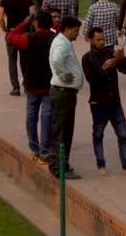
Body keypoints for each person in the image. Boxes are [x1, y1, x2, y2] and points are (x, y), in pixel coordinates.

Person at [80, 26, 126, 177]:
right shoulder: (87, 58)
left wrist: (121, 58)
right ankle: (101, 164)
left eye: (103, 39)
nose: (102, 42)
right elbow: (92, 80)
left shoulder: (109, 52)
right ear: (91, 40)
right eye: (98, 40)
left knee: (123, 135)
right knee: (98, 134)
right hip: (98, 103)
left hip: (114, 101)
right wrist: (106, 68)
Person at [8, 9, 57, 165]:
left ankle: (35, 148)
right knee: (47, 117)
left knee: (31, 116)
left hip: (32, 83)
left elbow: (11, 37)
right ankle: (45, 150)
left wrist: (24, 23)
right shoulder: (55, 39)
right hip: (49, 84)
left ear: (35, 23)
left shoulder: (28, 38)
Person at [48, 16, 84, 179]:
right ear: (68, 29)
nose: (77, 34)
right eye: (76, 31)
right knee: (63, 132)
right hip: (63, 93)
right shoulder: (62, 44)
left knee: (60, 130)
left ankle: (57, 164)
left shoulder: (62, 42)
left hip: (64, 92)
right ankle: (60, 167)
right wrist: (62, 75)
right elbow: (56, 60)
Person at [0, 0, 34, 96]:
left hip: (11, 32)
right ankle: (27, 85)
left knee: (12, 60)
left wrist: (4, 28)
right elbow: (32, 14)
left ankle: (15, 87)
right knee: (25, 60)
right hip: (24, 32)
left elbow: (0, 17)